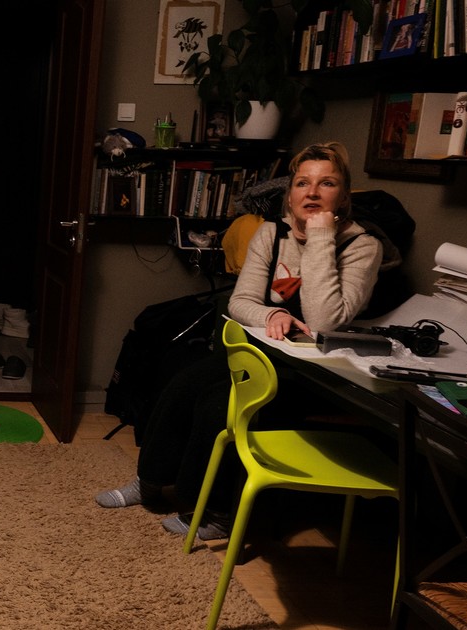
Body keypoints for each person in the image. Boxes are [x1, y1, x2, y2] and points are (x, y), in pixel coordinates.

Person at [94, 141, 382, 540]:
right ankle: (150, 482)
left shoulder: (363, 246)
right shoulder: (271, 233)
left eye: (327, 183)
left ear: (344, 196)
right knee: (182, 379)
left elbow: (324, 320)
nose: (312, 193)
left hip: (314, 374)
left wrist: (320, 237)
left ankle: (215, 511)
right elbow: (241, 301)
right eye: (302, 183)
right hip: (260, 355)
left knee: (221, 407)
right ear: (290, 194)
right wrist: (272, 314)